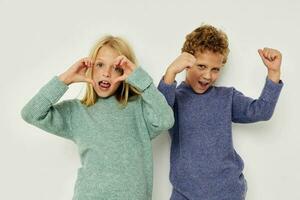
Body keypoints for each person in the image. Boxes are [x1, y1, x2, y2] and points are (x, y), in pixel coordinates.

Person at [21, 35, 174, 200]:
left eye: (115, 67)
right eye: (100, 65)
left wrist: (141, 80)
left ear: (125, 73)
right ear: (91, 68)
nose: (107, 73)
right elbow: (31, 113)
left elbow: (166, 120)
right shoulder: (76, 112)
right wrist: (64, 79)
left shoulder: (139, 109)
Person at [158, 25, 283, 200]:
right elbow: (158, 114)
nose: (208, 76)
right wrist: (170, 72)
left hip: (227, 192)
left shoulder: (226, 97)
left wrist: (273, 72)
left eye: (215, 69)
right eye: (201, 66)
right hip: (185, 194)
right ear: (186, 63)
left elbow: (261, 111)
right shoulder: (174, 99)